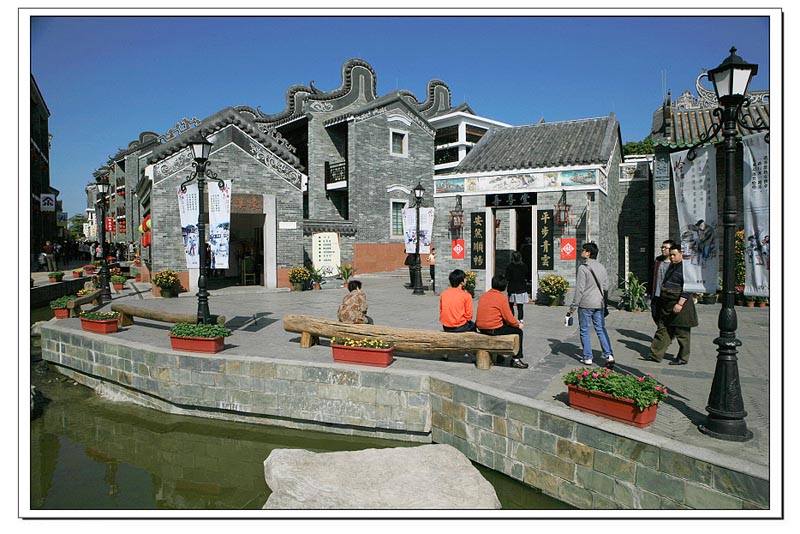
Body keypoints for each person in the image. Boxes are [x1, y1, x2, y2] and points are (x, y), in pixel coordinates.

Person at [647, 244, 698, 365]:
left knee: (682, 333)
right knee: (663, 328)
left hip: (681, 304)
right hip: (667, 303)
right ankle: (655, 354)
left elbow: (688, 288)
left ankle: (683, 358)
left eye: (674, 255)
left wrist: (680, 303)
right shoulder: (672, 266)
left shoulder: (686, 268)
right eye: (670, 255)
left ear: (681, 254)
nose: (672, 257)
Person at [568, 242, 614, 367]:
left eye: (583, 250)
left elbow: (580, 290)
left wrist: (573, 307)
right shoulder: (601, 267)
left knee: (584, 330)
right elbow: (606, 287)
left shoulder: (583, 268)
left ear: (588, 253)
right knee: (601, 329)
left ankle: (588, 357)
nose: (581, 252)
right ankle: (608, 355)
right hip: (599, 303)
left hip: (586, 304)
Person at [476, 274, 529, 369]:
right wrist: (518, 324)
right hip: (493, 328)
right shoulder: (501, 298)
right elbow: (509, 318)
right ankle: (516, 359)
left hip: (481, 327)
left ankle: (499, 355)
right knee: (518, 332)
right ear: (504, 287)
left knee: (502, 323)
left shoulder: (484, 295)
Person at [650, 239, 676, 324]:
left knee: (666, 317)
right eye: (662, 247)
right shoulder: (658, 261)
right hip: (656, 294)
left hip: (668, 295)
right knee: (655, 314)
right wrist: (648, 290)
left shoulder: (675, 264)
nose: (663, 249)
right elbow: (652, 276)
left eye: (665, 248)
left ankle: (664, 331)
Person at [505, 251, 529, 325]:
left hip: (512, 289)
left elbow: (507, 277)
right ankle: (520, 319)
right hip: (521, 288)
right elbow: (527, 276)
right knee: (520, 306)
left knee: (510, 305)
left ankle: (511, 319)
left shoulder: (510, 267)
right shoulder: (524, 266)